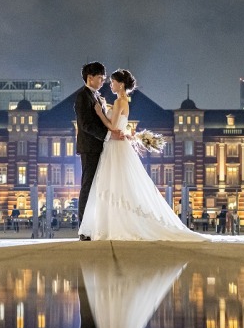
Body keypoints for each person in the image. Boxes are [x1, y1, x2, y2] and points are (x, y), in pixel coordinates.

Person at [78, 69, 206, 242]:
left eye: (113, 81)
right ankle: (116, 223)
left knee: (111, 184)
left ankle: (111, 224)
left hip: (114, 146)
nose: (110, 84)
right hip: (117, 145)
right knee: (118, 184)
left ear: (121, 84)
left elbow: (113, 126)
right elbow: (120, 126)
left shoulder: (119, 102)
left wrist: (100, 113)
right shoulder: (123, 101)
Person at [73, 62, 125, 241]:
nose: (103, 81)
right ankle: (83, 229)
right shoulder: (83, 96)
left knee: (96, 187)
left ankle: (92, 226)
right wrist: (108, 135)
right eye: (100, 78)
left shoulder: (95, 96)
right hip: (89, 148)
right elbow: (86, 125)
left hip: (99, 147)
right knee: (88, 186)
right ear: (90, 78)